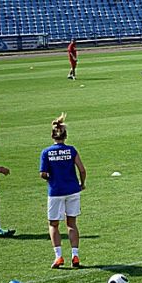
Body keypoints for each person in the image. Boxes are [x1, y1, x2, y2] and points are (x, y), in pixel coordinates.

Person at [40, 114, 87, 268]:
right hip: (72, 190)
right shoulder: (71, 150)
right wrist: (82, 184)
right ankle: (75, 255)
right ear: (65, 135)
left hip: (55, 191)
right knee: (71, 224)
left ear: (52, 136)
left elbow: (43, 173)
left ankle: (58, 257)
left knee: (53, 224)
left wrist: (50, 178)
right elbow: (82, 170)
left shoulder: (46, 152)